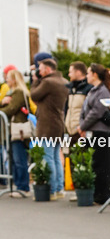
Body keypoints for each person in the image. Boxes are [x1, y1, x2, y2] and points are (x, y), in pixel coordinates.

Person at [30, 57, 68, 199]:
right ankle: (59, 189)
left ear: (47, 69)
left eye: (40, 69)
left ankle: (51, 190)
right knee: (56, 157)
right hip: (58, 124)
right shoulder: (63, 81)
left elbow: (34, 95)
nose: (38, 72)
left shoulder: (48, 82)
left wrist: (35, 80)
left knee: (48, 157)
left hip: (47, 125)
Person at [78, 63, 110, 205]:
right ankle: (95, 194)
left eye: (88, 73)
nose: (86, 76)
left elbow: (96, 112)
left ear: (94, 74)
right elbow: (84, 110)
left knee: (102, 165)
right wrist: (81, 125)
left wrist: (83, 125)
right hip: (91, 131)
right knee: (94, 163)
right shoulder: (93, 90)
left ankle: (103, 195)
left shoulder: (102, 91)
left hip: (101, 132)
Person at [1, 68, 33, 192]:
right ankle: (18, 186)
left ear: (14, 80)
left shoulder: (19, 93)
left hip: (18, 131)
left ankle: (22, 187)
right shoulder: (12, 93)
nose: (6, 80)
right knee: (14, 159)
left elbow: (11, 109)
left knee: (19, 159)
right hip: (12, 130)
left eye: (8, 78)